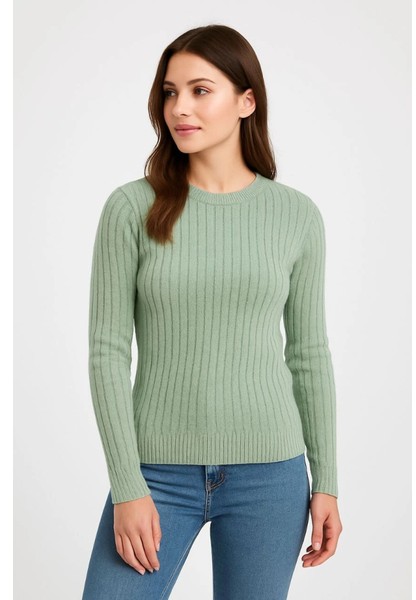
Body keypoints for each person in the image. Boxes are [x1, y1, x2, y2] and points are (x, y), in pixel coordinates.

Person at [81, 23, 343, 600]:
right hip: (156, 474)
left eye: (201, 90)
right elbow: (106, 354)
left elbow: (308, 354)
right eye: (170, 92)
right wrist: (127, 486)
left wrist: (326, 481)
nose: (180, 107)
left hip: (271, 476)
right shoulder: (131, 208)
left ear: (247, 101)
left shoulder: (296, 215)